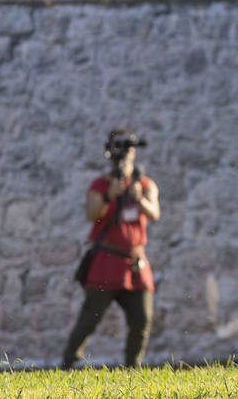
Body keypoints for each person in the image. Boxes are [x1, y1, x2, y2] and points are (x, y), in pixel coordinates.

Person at [62, 129, 160, 369]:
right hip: (106, 262)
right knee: (89, 318)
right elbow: (92, 217)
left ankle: (132, 367)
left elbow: (155, 213)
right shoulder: (101, 184)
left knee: (142, 318)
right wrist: (109, 197)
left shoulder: (145, 184)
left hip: (135, 262)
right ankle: (67, 364)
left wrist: (139, 200)